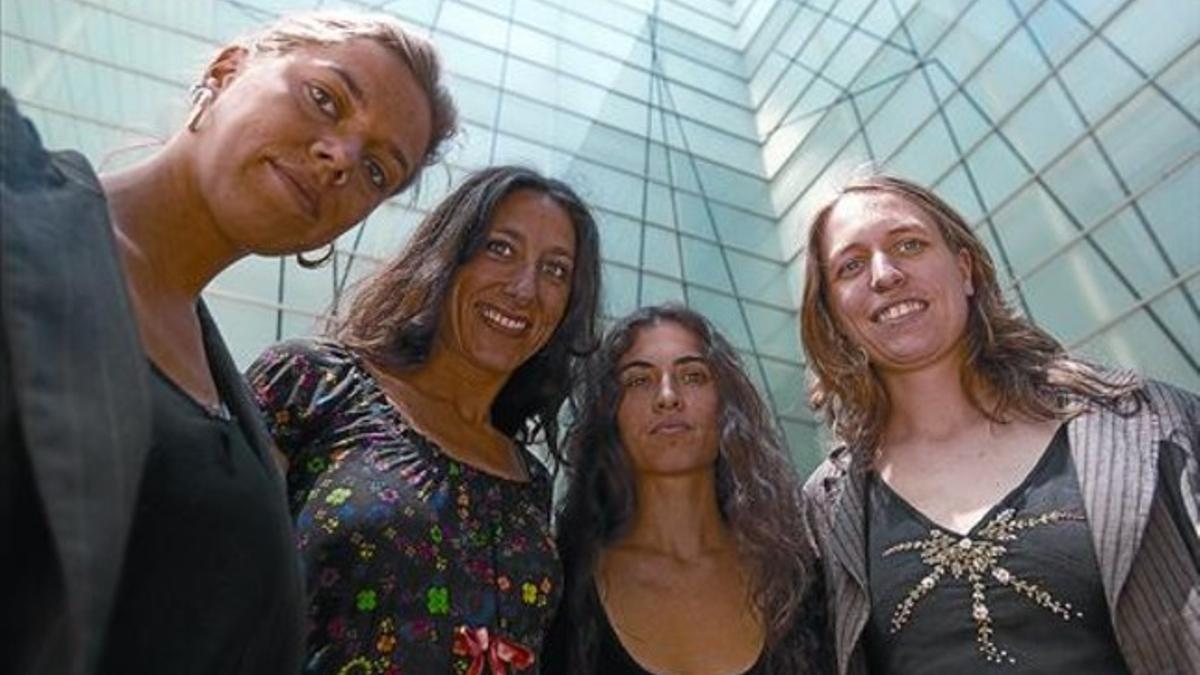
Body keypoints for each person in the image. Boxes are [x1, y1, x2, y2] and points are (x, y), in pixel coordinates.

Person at [0, 11, 457, 675]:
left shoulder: (237, 411)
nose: (341, 159)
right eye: (325, 98)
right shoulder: (17, 202)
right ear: (227, 69)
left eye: (378, 171)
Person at [797, 173, 1199, 675]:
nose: (884, 274)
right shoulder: (826, 509)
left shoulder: (1148, 425)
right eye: (851, 265)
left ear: (965, 270)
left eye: (909, 244)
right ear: (832, 313)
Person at [245, 165, 602, 674]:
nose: (525, 289)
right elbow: (206, 581)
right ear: (449, 257)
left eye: (556, 270)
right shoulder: (313, 381)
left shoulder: (530, 482)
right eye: (500, 248)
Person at [543, 304, 827, 674]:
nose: (667, 396)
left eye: (693, 376)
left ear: (726, 405)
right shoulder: (561, 583)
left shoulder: (796, 577)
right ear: (609, 414)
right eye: (638, 380)